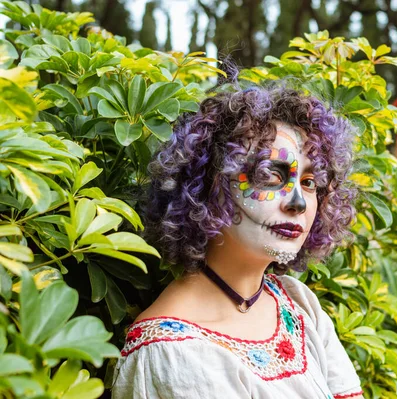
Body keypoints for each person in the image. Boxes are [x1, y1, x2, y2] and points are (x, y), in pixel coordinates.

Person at [111, 84, 364, 398]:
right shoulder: (171, 352)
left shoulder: (299, 306)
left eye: (310, 182)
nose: (298, 202)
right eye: (269, 175)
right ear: (207, 185)